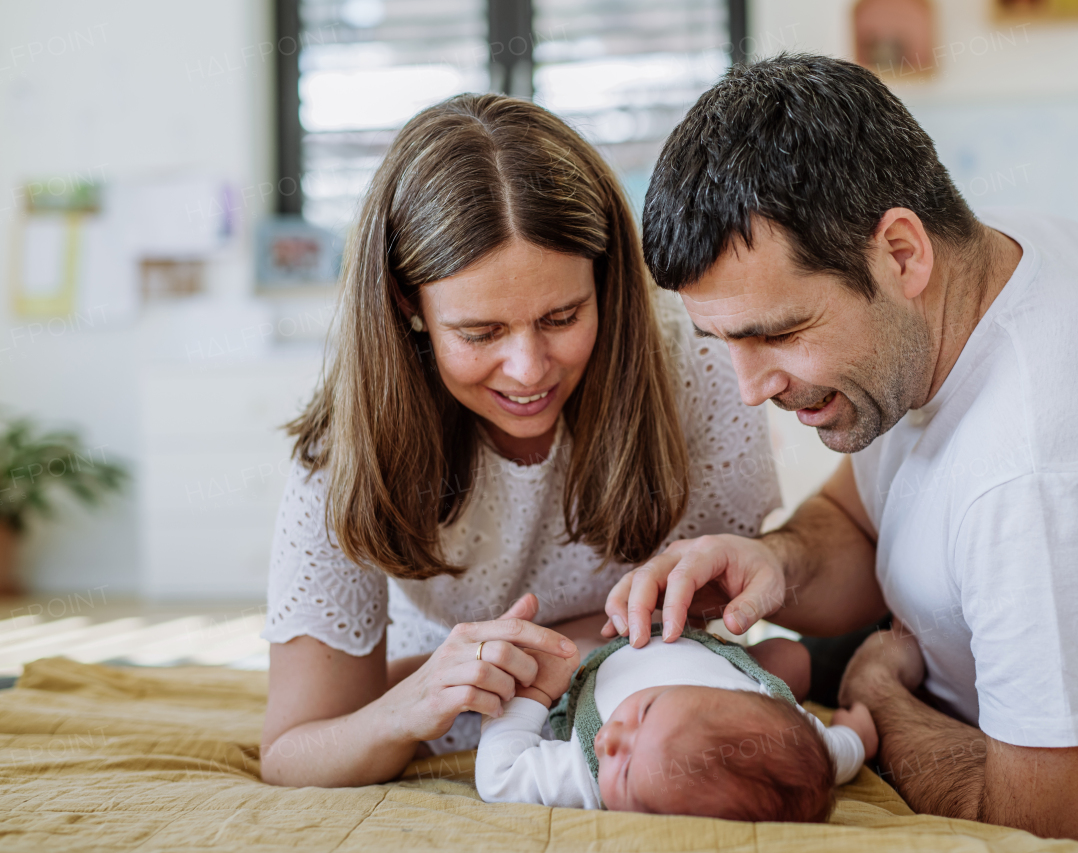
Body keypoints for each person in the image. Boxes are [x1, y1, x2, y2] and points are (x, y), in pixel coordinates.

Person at [605, 54, 1078, 841]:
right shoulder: (989, 261)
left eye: (777, 333)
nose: (750, 387)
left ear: (902, 253)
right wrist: (775, 561)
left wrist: (878, 697)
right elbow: (867, 512)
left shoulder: (1046, 471)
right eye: (725, 342)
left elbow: (1060, 826)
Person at [258, 94, 781, 787]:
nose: (530, 370)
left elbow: (716, 627)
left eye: (562, 316)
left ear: (606, 280)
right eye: (480, 334)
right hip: (461, 701)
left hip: (643, 705)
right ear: (409, 304)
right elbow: (295, 748)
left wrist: (558, 651)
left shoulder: (705, 370)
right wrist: (409, 701)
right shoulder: (346, 449)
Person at [475, 627, 875, 821]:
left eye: (627, 772)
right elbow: (835, 754)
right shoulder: (788, 733)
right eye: (646, 711)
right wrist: (856, 732)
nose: (610, 735)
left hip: (595, 652)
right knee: (792, 656)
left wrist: (533, 696)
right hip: (708, 645)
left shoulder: (586, 776)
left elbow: (500, 776)